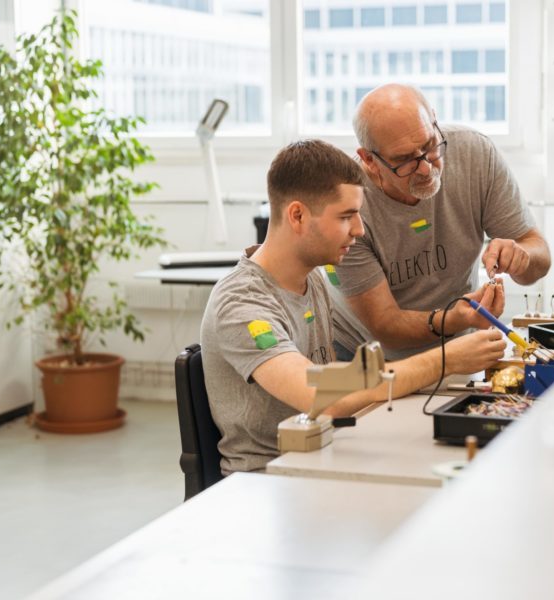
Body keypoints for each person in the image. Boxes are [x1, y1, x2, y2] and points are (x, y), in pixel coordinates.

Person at [200, 140, 507, 475]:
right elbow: (325, 397)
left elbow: (339, 381)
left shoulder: (314, 280)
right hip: (267, 480)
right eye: (346, 216)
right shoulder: (243, 302)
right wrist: (448, 359)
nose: (359, 230)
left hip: (320, 456)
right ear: (298, 215)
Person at [330, 84, 551, 360]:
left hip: (455, 348)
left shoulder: (474, 154)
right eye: (404, 160)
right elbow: (386, 325)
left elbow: (539, 255)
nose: (425, 167)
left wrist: (522, 258)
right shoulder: (348, 205)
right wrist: (456, 319)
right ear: (369, 160)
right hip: (366, 356)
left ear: (433, 120)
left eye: (429, 146)